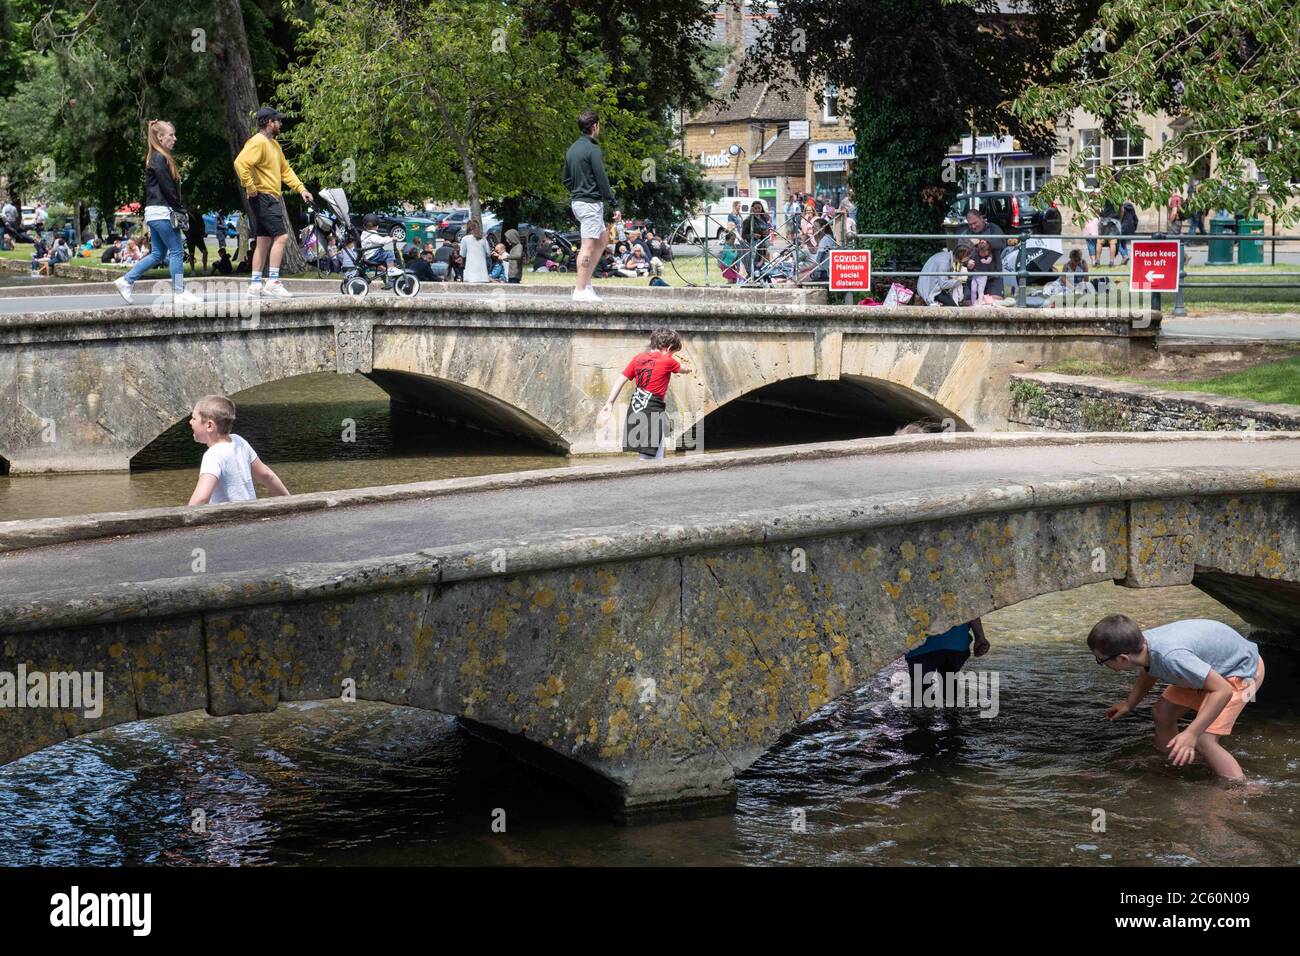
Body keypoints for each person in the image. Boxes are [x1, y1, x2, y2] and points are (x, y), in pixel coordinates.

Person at [1089, 615, 1264, 780]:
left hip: (1241, 671)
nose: (1101, 663)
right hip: (1209, 669)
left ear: (1122, 658)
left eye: (1101, 660)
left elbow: (1223, 690)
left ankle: (1241, 788)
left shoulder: (1172, 657)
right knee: (1162, 712)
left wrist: (1191, 733)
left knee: (1204, 740)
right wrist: (1129, 704)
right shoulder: (1144, 647)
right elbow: (1150, 670)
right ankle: (1173, 761)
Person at [109, 120, 203, 305]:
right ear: (160, 137)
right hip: (163, 212)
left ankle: (126, 280)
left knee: (158, 254)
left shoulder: (155, 157)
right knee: (176, 251)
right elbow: (167, 188)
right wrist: (179, 209)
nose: (174, 139)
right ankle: (179, 292)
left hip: (154, 213)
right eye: (171, 135)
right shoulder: (159, 158)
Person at [233, 106, 313, 298]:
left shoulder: (274, 145)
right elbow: (240, 163)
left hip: (266, 197)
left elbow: (285, 171)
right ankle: (273, 282)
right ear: (269, 122)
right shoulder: (258, 141)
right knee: (282, 237)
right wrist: (250, 187)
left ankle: (255, 284)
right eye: (278, 120)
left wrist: (301, 188)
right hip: (264, 197)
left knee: (263, 240)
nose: (281, 123)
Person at [596, 326, 694, 461]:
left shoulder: (638, 358)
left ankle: (660, 472)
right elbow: (680, 368)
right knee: (648, 455)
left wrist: (610, 402)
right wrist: (687, 369)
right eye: (673, 353)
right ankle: (649, 478)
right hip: (652, 409)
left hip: (637, 407)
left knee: (657, 445)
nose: (672, 356)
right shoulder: (667, 360)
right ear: (669, 347)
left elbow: (621, 379)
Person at [187, 394, 290, 506]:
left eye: (194, 418)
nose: (190, 422)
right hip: (251, 517)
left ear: (210, 426)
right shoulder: (239, 442)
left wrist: (184, 518)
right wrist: (290, 501)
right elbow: (267, 475)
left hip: (228, 521)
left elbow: (201, 498)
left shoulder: (212, 456)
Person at [562, 109, 615, 302]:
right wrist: (614, 203)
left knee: (602, 239)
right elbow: (602, 179)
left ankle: (586, 283)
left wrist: (578, 189)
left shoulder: (572, 149)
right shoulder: (593, 149)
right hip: (590, 204)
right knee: (587, 246)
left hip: (579, 202)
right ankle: (580, 289)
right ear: (595, 126)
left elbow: (566, 179)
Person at [741, 200, 771, 280]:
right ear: (752, 209)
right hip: (754, 246)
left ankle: (762, 280)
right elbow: (743, 235)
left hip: (764, 245)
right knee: (755, 266)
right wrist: (753, 235)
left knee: (764, 266)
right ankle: (752, 280)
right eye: (755, 208)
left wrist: (767, 232)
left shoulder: (764, 218)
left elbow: (768, 228)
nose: (758, 210)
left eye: (759, 208)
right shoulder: (748, 220)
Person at [459, 218, 491, 283]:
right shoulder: (483, 239)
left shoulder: (465, 239)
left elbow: (462, 254)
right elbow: (488, 253)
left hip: (470, 273)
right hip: (482, 274)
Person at [1118, 199, 1138, 265]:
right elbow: (1136, 219)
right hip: (1130, 228)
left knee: (1116, 243)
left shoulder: (1121, 208)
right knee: (1124, 244)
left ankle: (1125, 256)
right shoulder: (1132, 208)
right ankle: (1125, 260)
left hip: (1122, 227)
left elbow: (1120, 217)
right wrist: (1134, 228)